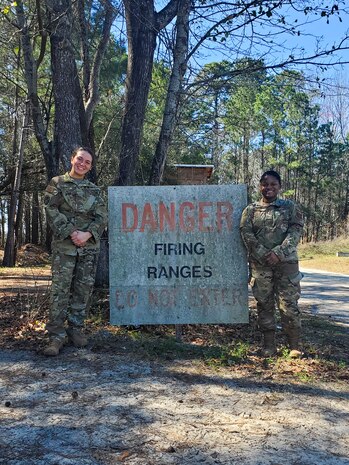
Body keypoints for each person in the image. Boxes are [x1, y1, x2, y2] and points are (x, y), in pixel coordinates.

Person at [43, 147, 107, 356]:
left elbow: (102, 217)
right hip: (65, 247)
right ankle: (56, 336)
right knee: (59, 291)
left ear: (90, 167)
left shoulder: (95, 191)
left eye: (87, 162)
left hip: (88, 248)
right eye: (80, 159)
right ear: (72, 160)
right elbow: (49, 207)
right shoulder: (57, 183)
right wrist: (71, 232)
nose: (83, 164)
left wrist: (87, 234)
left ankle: (76, 329)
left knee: (83, 290)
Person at [240, 170, 304, 358]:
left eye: (273, 184)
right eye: (265, 184)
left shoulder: (289, 207)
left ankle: (294, 345)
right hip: (261, 265)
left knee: (289, 305)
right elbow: (246, 233)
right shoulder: (251, 210)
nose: (269, 188)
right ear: (260, 186)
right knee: (264, 305)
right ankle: (269, 346)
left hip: (286, 264)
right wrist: (262, 253)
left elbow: (295, 232)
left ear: (279, 186)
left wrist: (278, 252)